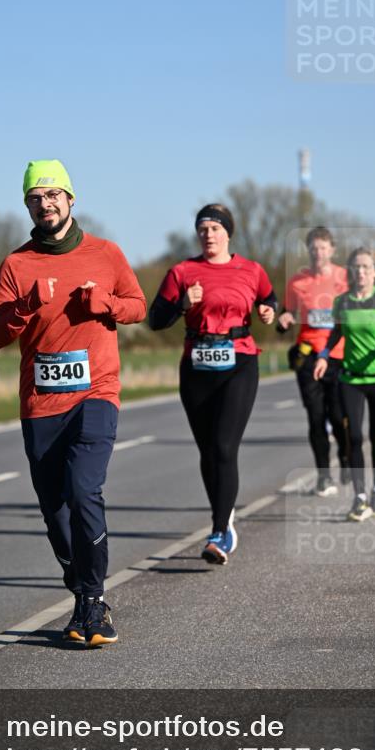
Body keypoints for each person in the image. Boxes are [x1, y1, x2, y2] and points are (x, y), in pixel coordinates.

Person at [0, 159, 146, 646]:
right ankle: (81, 593)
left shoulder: (106, 253)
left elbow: (137, 305)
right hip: (41, 402)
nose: (45, 203)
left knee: (83, 490)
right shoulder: (16, 264)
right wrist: (23, 308)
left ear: (71, 200)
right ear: (27, 205)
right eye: (36, 197)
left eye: (53, 194)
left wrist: (107, 306)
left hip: (96, 392)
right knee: (54, 508)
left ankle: (94, 601)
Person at [148, 203, 277, 564]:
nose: (208, 234)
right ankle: (223, 518)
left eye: (215, 229)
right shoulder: (182, 271)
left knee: (224, 447)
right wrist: (182, 305)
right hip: (196, 366)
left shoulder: (251, 269)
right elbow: (155, 320)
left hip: (239, 362)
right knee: (208, 451)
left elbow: (269, 298)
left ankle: (220, 532)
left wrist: (269, 310)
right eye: (203, 229)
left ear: (228, 233)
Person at [313, 247, 375, 522]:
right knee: (353, 437)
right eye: (356, 267)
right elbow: (336, 333)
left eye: (366, 267)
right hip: (351, 380)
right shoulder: (342, 302)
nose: (360, 272)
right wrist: (323, 356)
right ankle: (359, 498)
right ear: (350, 272)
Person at [278, 226, 349, 496]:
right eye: (313, 248)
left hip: (338, 356)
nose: (318, 253)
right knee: (316, 417)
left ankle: (344, 456)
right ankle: (323, 476)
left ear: (332, 250)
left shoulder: (346, 278)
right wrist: (284, 320)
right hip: (308, 357)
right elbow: (287, 314)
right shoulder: (297, 282)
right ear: (308, 251)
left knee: (339, 416)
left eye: (323, 247)